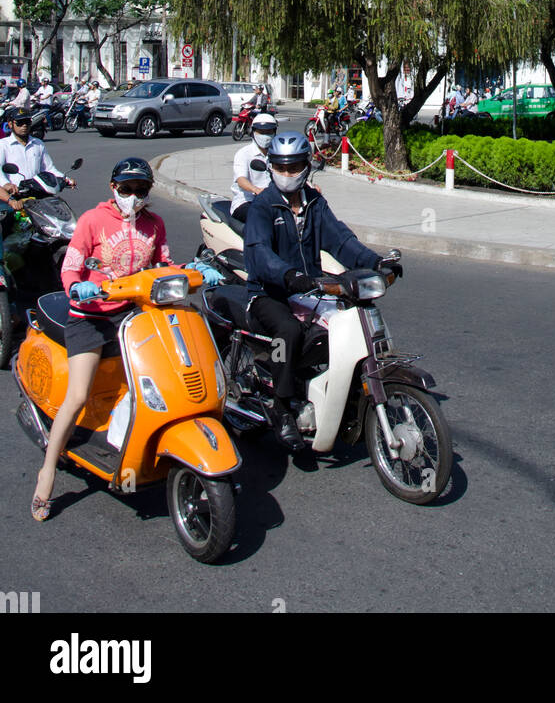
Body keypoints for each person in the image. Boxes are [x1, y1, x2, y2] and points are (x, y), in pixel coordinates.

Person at [29, 157, 220, 521]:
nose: (133, 196)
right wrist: (78, 287)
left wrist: (193, 270)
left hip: (135, 316)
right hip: (92, 317)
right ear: (113, 188)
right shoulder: (92, 221)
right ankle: (48, 470)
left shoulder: (155, 225)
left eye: (141, 190)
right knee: (79, 394)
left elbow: (163, 266)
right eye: (127, 189)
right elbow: (70, 265)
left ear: (149, 193)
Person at [243, 132, 399, 453]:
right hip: (268, 292)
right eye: (281, 167)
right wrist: (288, 275)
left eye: (294, 166)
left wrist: (376, 261)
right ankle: (282, 406)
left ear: (306, 166)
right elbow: (259, 253)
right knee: (287, 331)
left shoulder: (315, 203)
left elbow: (341, 240)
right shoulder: (262, 206)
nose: (287, 174)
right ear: (271, 167)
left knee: (346, 318)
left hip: (309, 288)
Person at [0, 108, 77, 240]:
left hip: (37, 198)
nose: (24, 126)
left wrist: (65, 179)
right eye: (19, 123)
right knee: (8, 233)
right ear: (10, 124)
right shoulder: (3, 145)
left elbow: (49, 169)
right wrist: (7, 184)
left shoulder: (38, 144)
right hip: (13, 200)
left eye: (27, 122)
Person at [230, 111, 278, 222]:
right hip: (247, 201)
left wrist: (309, 185)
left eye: (269, 132)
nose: (265, 136)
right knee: (261, 219)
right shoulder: (244, 153)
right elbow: (241, 180)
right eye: (261, 132)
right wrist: (256, 190)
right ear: (253, 132)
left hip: (272, 201)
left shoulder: (276, 153)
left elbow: (289, 173)